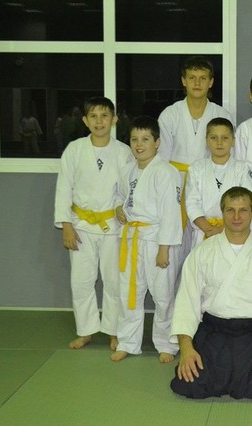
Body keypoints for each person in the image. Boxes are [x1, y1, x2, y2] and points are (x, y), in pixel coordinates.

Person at [170, 187, 252, 401]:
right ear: (222, 212)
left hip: (251, 334)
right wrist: (187, 349)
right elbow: (186, 303)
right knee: (190, 384)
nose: (236, 216)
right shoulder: (202, 252)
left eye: (243, 210)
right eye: (230, 210)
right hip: (213, 333)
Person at [54, 96, 132, 350]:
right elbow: (64, 187)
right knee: (81, 280)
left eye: (105, 116)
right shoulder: (74, 149)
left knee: (114, 280)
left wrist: (122, 208)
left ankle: (113, 331)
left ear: (114, 119)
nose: (99, 121)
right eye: (94, 117)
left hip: (112, 225)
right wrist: (66, 224)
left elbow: (127, 189)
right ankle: (86, 330)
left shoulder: (123, 152)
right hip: (80, 225)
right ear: (85, 121)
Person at [111, 116, 182, 363]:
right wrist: (118, 208)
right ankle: (128, 342)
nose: (139, 145)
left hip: (157, 240)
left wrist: (164, 249)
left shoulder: (166, 172)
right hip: (132, 238)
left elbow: (171, 214)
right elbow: (119, 194)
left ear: (157, 142)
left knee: (163, 295)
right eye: (134, 140)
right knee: (129, 293)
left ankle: (166, 344)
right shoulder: (128, 170)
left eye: (145, 139)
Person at [157, 56, 232, 268]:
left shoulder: (221, 114)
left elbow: (227, 155)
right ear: (183, 80)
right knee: (175, 248)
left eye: (203, 78)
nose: (197, 83)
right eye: (192, 77)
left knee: (203, 248)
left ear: (211, 82)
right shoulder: (170, 114)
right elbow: (161, 160)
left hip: (208, 186)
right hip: (176, 184)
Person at [185, 117, 252, 250]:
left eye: (225, 138)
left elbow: (249, 203)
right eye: (214, 138)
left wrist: (224, 229)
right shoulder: (196, 168)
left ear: (233, 141)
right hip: (204, 233)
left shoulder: (243, 168)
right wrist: (208, 229)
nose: (219, 143)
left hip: (235, 231)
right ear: (206, 140)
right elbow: (191, 203)